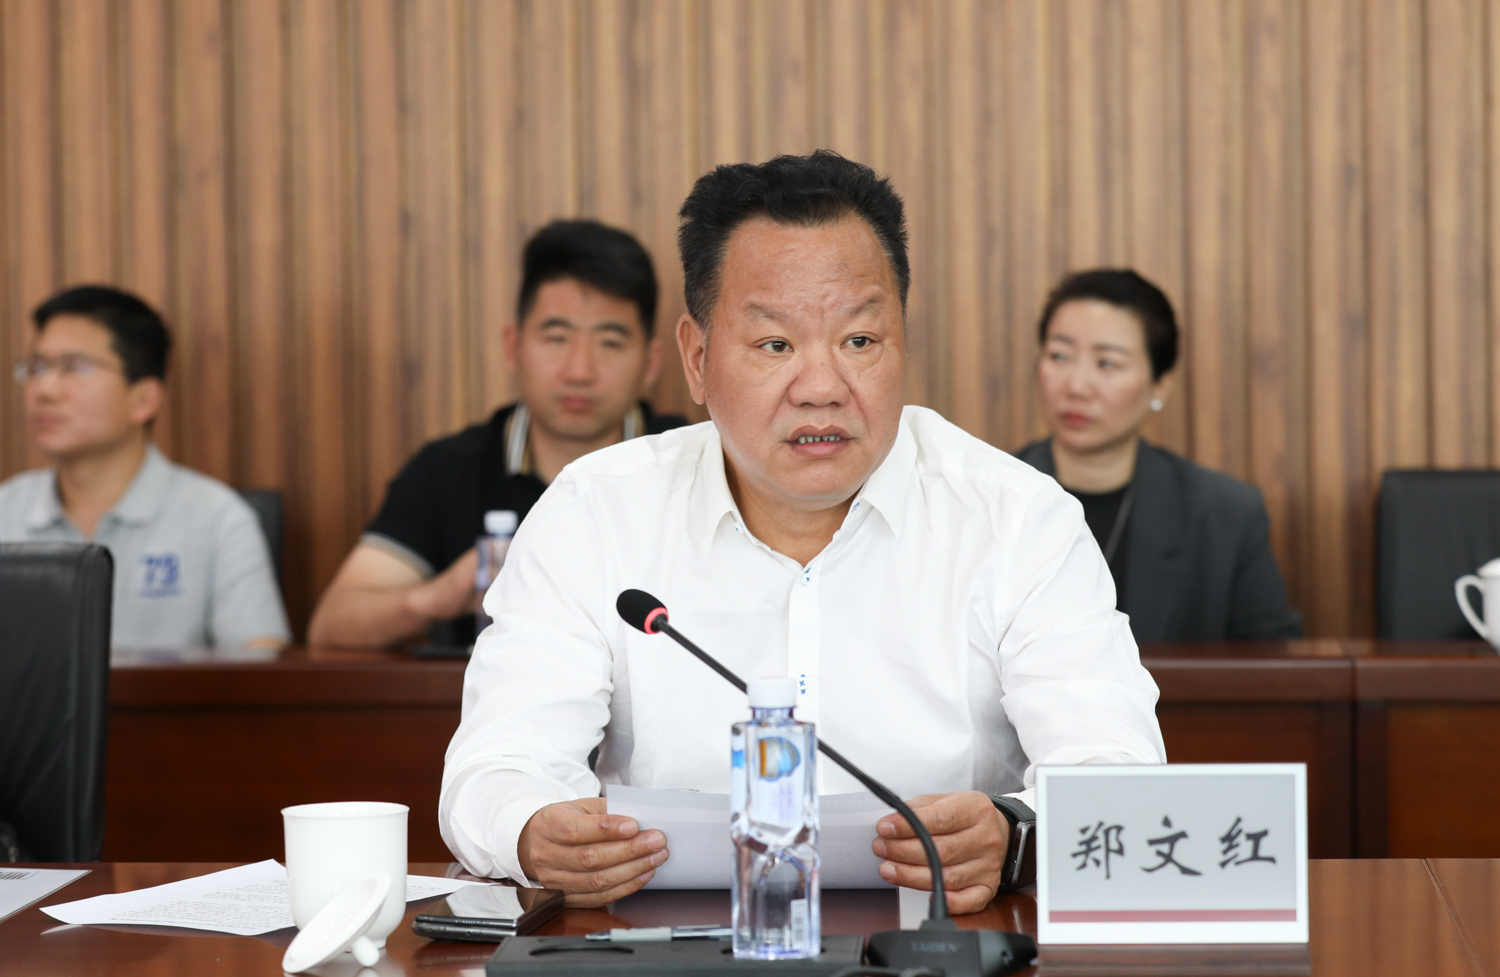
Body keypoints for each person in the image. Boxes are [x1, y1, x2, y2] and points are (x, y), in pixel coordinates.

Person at [440, 152, 1164, 912]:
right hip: (665, 945)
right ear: (696, 358)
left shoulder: (1016, 517)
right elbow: (497, 767)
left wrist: (1016, 833)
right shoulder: (597, 511)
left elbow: (1116, 772)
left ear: (902, 342)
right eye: (776, 345)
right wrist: (533, 831)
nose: (822, 388)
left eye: (860, 341)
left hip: (947, 939)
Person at [308, 220, 688, 651]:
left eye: (610, 342)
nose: (580, 371)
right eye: (557, 338)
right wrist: (437, 597)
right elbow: (332, 626)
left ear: (651, 363)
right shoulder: (448, 469)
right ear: (513, 347)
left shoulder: (696, 462)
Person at [1016, 269, 1302, 642]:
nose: (1077, 386)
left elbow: (1273, 663)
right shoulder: (982, 497)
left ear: (1159, 386)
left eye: (1107, 363)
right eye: (1059, 356)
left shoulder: (1224, 516)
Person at [0, 286, 289, 652]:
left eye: (74, 367)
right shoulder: (5, 510)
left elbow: (258, 662)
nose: (45, 389)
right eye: (37, 367)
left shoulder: (217, 518)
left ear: (144, 399)